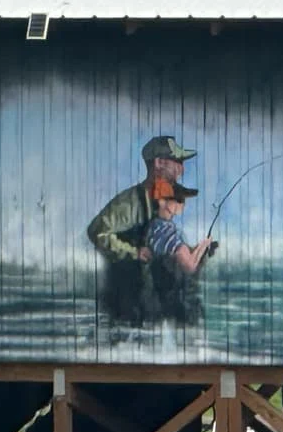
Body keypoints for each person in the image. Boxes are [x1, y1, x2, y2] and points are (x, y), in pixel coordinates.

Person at [89, 136, 196, 325]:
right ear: (159, 163)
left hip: (159, 309)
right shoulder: (129, 203)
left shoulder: (170, 201)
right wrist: (133, 252)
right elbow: (97, 232)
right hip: (130, 311)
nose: (182, 169)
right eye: (177, 162)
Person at [142, 180, 217, 326]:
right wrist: (203, 246)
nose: (183, 204)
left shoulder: (154, 228)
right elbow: (189, 266)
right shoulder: (168, 234)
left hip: (159, 299)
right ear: (162, 202)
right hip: (173, 302)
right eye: (179, 200)